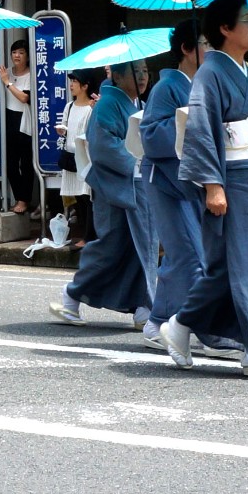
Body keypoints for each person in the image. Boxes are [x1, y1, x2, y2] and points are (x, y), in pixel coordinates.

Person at [158, 0, 248, 378]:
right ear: (224, 28)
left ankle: (181, 324)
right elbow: (202, 129)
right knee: (246, 267)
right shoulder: (211, 72)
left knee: (237, 266)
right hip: (232, 178)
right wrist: (212, 184)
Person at [139, 23, 235, 356]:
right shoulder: (167, 88)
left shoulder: (205, 84)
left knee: (188, 255)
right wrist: (188, 119)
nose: (210, 50)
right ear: (186, 48)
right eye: (205, 43)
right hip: (165, 181)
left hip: (193, 181)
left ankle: (159, 318)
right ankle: (202, 327)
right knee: (189, 255)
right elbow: (150, 135)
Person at [51, 62, 151, 326]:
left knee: (140, 246)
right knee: (112, 246)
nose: (142, 77)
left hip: (138, 184)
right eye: (134, 72)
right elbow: (104, 145)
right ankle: (72, 295)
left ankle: (143, 306)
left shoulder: (138, 104)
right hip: (115, 186)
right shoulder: (108, 104)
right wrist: (138, 162)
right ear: (116, 76)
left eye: (144, 71)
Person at [0, 38, 37, 215]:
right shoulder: (6, 72)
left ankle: (24, 200)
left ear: (28, 57)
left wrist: (7, 82)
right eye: (14, 52)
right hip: (7, 117)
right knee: (10, 163)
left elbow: (24, 98)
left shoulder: (31, 74)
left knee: (26, 162)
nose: (17, 56)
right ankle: (18, 197)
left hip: (24, 119)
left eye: (21, 53)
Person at [57, 72, 95, 247]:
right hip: (71, 156)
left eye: (75, 82)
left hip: (85, 158)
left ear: (85, 86)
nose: (71, 85)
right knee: (78, 198)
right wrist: (62, 131)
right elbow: (65, 126)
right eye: (71, 81)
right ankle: (84, 235)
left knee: (86, 197)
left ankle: (89, 236)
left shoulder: (91, 108)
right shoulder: (69, 106)